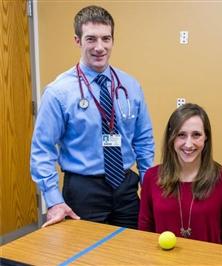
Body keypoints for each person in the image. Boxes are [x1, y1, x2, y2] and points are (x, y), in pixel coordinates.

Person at [30, 5, 154, 229]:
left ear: (112, 40)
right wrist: (54, 201)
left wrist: (149, 184)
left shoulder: (131, 86)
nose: (99, 47)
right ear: (77, 40)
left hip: (126, 188)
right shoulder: (59, 92)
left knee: (131, 256)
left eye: (106, 39)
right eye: (91, 39)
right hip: (83, 191)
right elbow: (42, 150)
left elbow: (143, 140)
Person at [139, 103, 222, 246]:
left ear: (206, 137)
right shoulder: (151, 177)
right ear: (171, 138)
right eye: (181, 135)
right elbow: (145, 231)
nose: (188, 144)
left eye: (196, 135)